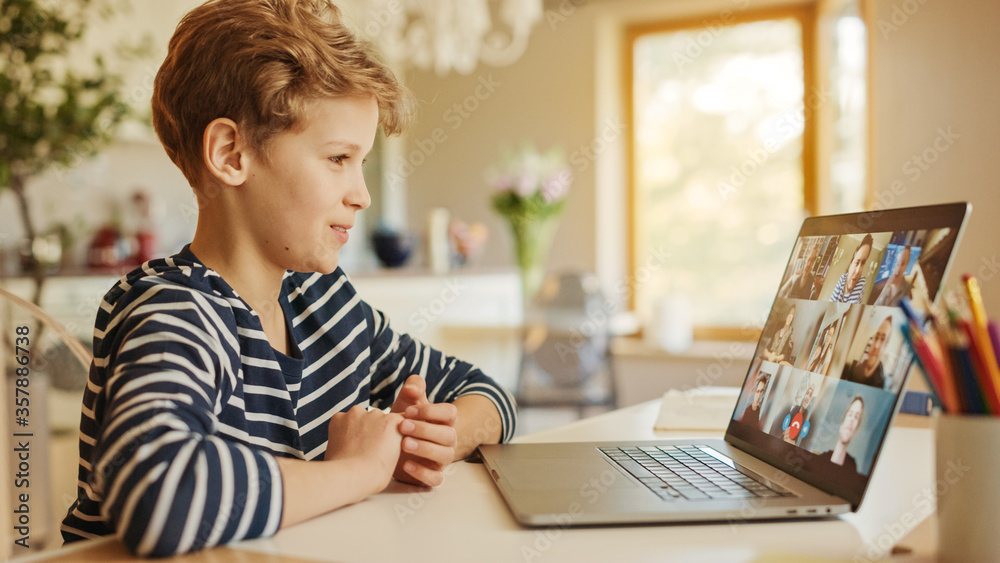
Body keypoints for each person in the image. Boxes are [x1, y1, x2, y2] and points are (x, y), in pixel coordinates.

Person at [60, 1, 517, 556]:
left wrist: (439, 437)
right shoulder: (174, 312)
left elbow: (488, 395)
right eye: (337, 158)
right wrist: (359, 471)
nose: (362, 195)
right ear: (231, 154)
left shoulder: (325, 303)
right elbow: (162, 494)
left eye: (362, 162)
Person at [815, 397, 864, 473]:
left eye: (856, 417)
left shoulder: (852, 469)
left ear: (855, 431)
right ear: (841, 425)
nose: (851, 420)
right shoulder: (820, 460)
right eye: (850, 414)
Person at [841, 317, 893, 389]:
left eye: (882, 339)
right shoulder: (855, 370)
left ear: (886, 346)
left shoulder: (880, 386)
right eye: (876, 337)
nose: (876, 345)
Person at [830, 234, 874, 304]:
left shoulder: (861, 281)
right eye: (856, 263)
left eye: (863, 263)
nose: (858, 271)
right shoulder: (842, 279)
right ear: (850, 265)